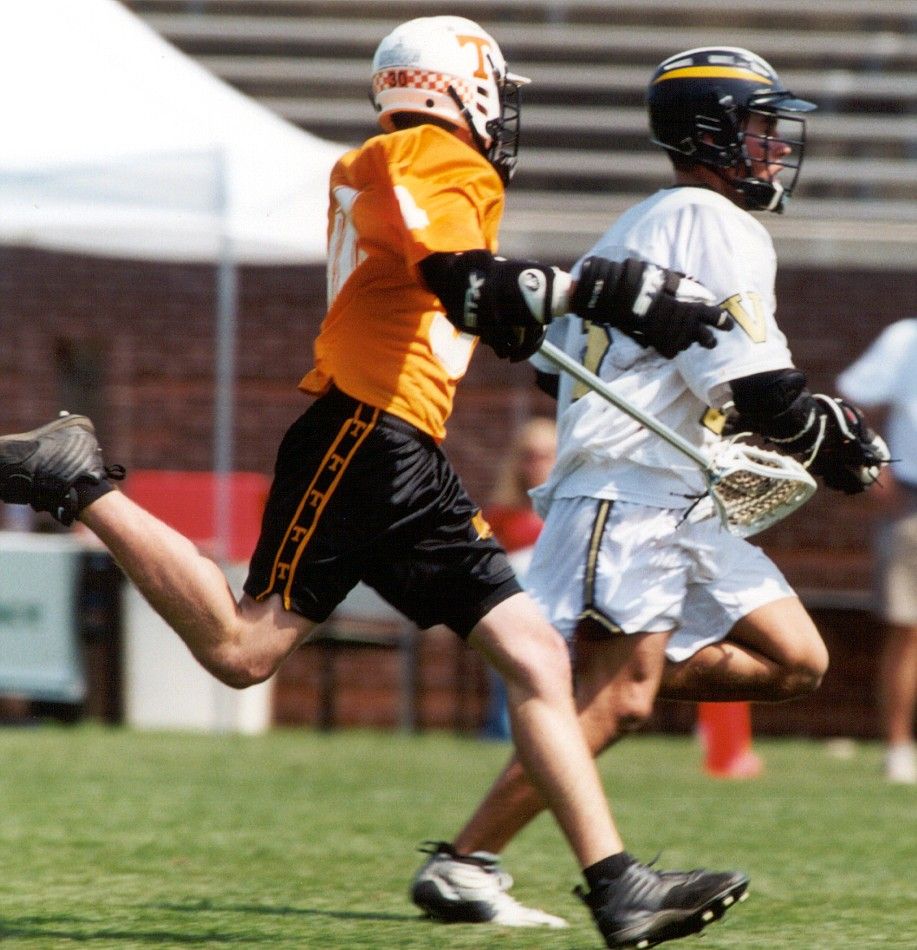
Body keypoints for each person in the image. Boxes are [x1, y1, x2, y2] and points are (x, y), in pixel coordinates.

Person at [0, 17, 745, 950]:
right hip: (366, 430)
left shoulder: (401, 161)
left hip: (401, 443)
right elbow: (468, 282)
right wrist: (608, 291)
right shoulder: (430, 155)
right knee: (244, 646)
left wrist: (544, 310)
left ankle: (617, 887)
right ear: (461, 88)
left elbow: (465, 300)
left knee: (532, 655)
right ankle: (78, 482)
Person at [409, 44, 891, 931]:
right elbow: (755, 386)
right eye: (759, 126)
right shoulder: (708, 219)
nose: (775, 146)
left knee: (796, 660)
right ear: (707, 131)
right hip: (625, 490)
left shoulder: (644, 222)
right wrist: (827, 440)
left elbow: (563, 372)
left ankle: (570, 693)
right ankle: (465, 861)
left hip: (672, 494)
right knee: (621, 699)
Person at [837, 318, 917, 784]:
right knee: (908, 631)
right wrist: (875, 466)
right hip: (912, 504)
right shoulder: (906, 338)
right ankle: (898, 748)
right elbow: (851, 401)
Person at [481, 416, 557, 740]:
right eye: (528, 456)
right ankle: (506, 728)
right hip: (512, 611)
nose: (536, 464)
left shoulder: (567, 512)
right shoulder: (499, 516)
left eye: (546, 456)